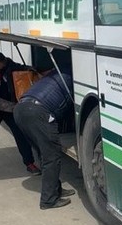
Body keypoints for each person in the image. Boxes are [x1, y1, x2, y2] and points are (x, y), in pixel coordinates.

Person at [14, 69, 76, 210]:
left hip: (21, 109)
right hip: (37, 112)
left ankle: (56, 190)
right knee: (51, 156)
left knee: (44, 153)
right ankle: (48, 200)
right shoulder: (73, 78)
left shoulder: (57, 74)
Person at [0, 51, 40, 176]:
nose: (2, 68)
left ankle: (29, 163)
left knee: (21, 134)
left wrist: (29, 69)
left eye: (3, 65)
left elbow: (19, 68)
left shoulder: (6, 63)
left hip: (10, 107)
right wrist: (14, 107)